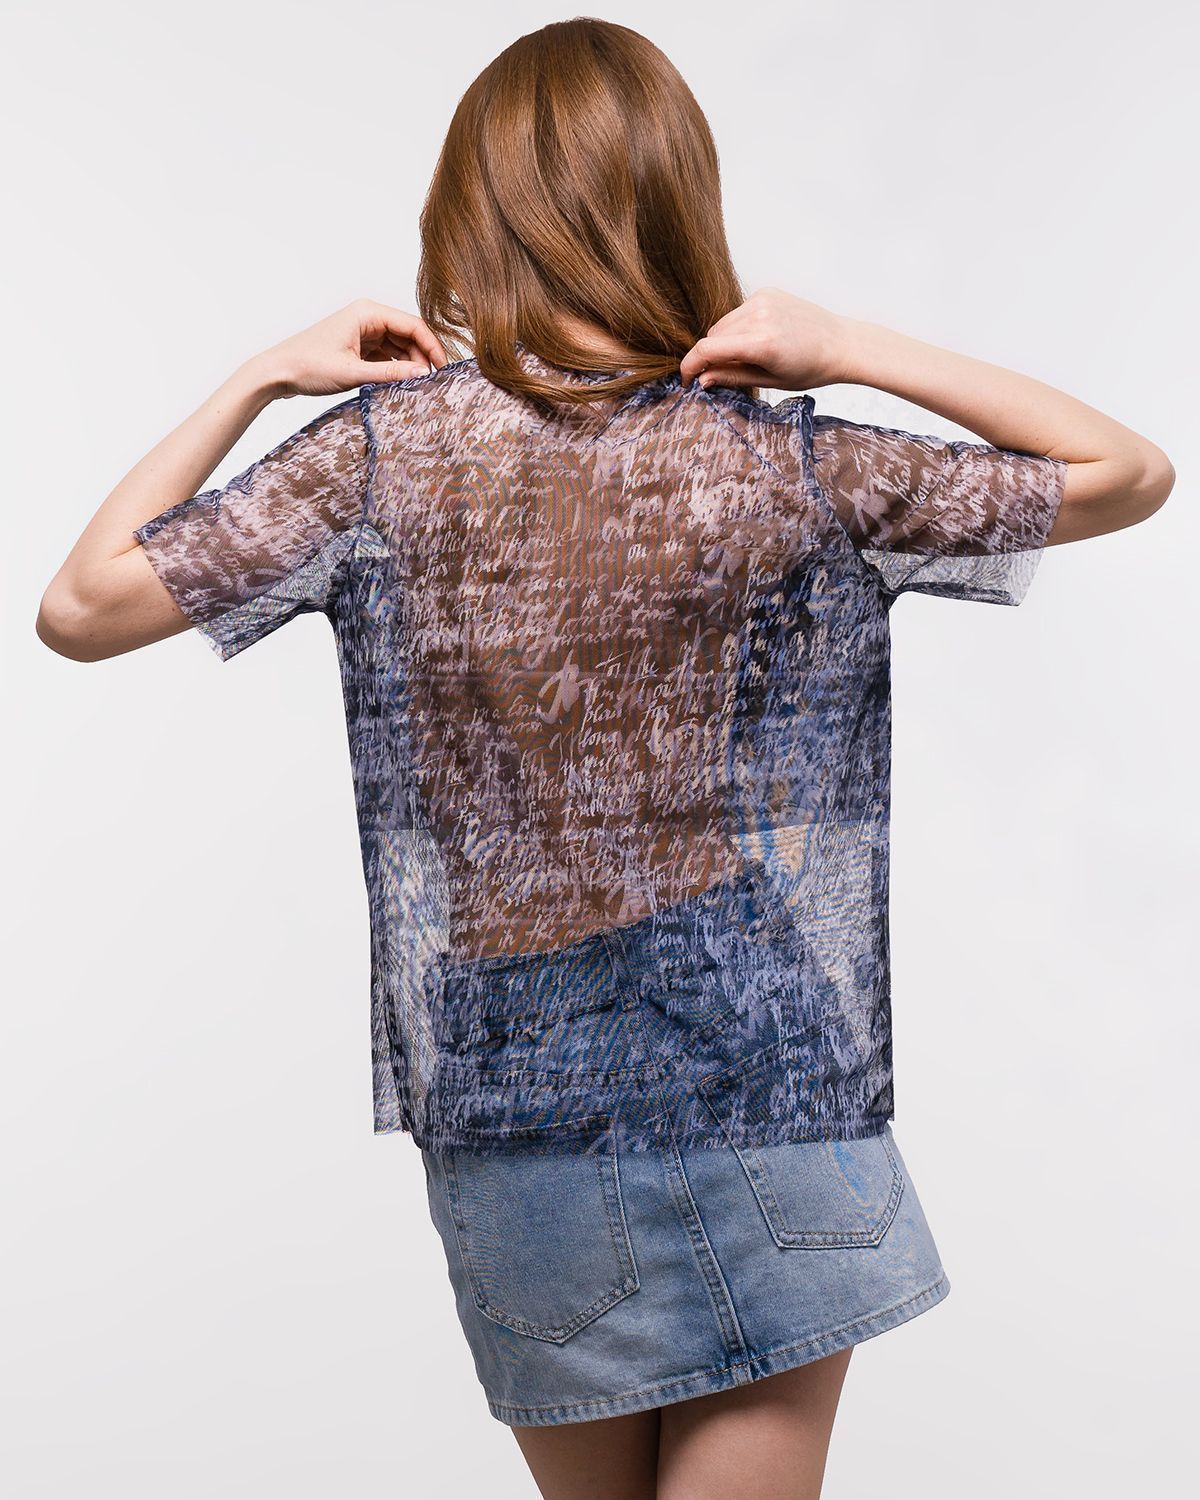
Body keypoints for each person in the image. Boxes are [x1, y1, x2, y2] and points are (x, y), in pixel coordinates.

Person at [35, 17, 1173, 1500]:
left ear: (469, 212)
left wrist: (257, 378)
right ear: (674, 200)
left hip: (511, 1060)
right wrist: (849, 346)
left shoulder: (381, 460)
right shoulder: (768, 459)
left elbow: (81, 607)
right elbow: (1126, 473)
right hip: (752, 1032)